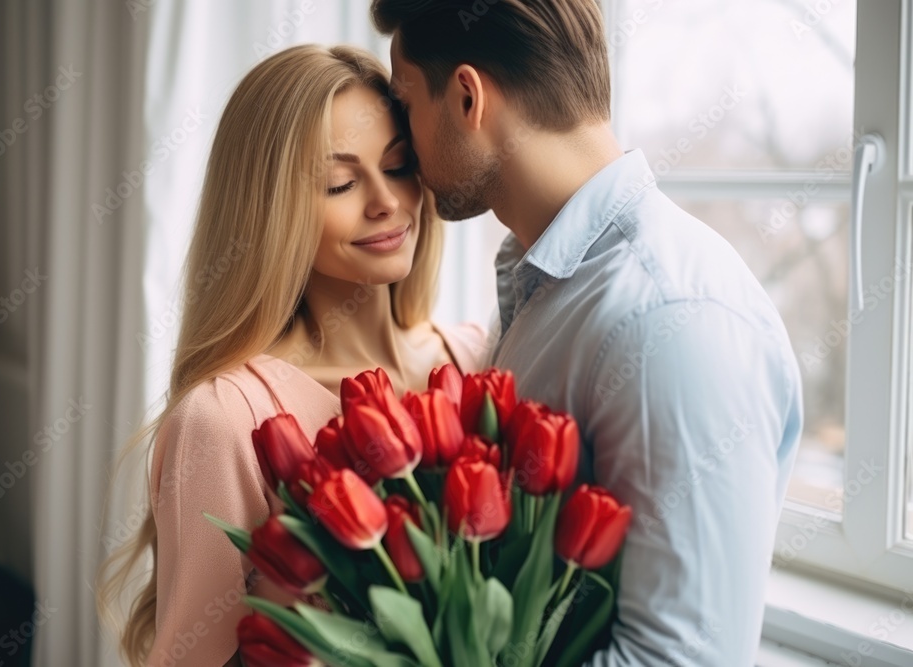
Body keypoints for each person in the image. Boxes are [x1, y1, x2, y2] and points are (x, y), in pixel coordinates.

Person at [371, 1, 803, 665]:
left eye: (405, 101)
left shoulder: (671, 320)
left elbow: (678, 660)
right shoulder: (542, 282)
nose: (400, 139)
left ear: (466, 97)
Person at [96, 44, 489, 667]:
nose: (386, 200)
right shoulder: (226, 419)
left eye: (399, 165)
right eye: (339, 182)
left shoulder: (479, 358)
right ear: (267, 208)